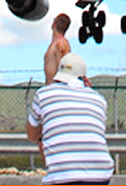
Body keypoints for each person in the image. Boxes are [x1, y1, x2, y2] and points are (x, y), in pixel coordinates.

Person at [27, 53, 115, 185]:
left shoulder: (43, 94)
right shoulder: (99, 99)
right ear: (84, 79)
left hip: (62, 177)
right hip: (100, 175)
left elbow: (32, 135)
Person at [44, 14, 72, 84]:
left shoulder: (61, 44)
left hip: (57, 89)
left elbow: (64, 70)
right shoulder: (57, 43)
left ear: (54, 24)